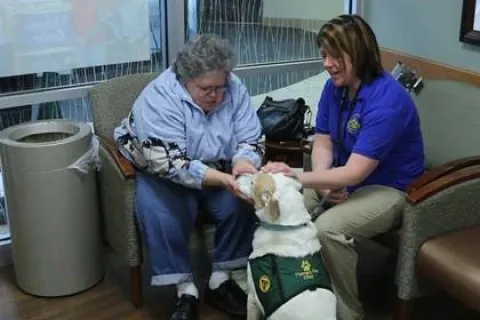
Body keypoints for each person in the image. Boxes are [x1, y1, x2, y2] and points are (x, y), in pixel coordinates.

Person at [263, 14, 425, 320]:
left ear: (359, 53)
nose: (327, 63)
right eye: (324, 54)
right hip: (348, 173)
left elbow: (354, 173)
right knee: (285, 202)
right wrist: (324, 184)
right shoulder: (334, 88)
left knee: (329, 230)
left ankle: (348, 312)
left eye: (336, 56)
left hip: (392, 187)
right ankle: (299, 290)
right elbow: (323, 143)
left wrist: (296, 174)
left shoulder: (387, 102)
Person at [113, 34, 263, 320]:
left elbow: (251, 136)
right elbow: (170, 163)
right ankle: (185, 290)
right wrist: (221, 178)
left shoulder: (233, 87)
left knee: (242, 199)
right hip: (164, 170)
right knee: (159, 211)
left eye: (220, 87)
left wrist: (244, 162)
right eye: (207, 89)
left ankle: (221, 280)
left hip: (217, 164)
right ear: (185, 80)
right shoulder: (159, 97)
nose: (216, 96)